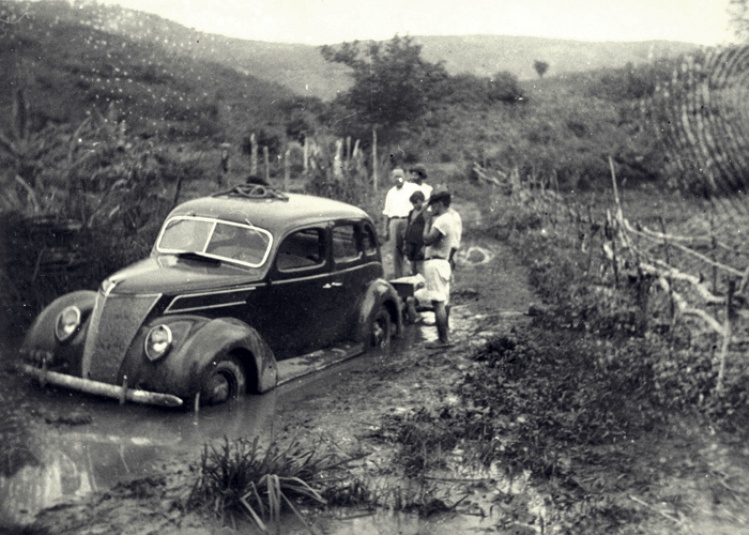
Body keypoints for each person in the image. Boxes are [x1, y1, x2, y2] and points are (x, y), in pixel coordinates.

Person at [422, 187, 461, 349]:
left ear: (439, 204)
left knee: (437, 303)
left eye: (433, 204)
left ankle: (442, 339)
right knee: (442, 301)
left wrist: (426, 222)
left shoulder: (442, 220)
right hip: (442, 262)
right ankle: (444, 336)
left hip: (436, 262)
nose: (431, 208)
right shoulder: (449, 218)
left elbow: (427, 240)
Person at [382, 168, 418, 278]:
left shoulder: (412, 188)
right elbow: (386, 212)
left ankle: (415, 276)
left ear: (404, 176)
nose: (398, 179)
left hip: (408, 220)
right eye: (395, 177)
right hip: (394, 221)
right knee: (396, 251)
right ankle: (399, 278)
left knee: (411, 248)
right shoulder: (391, 193)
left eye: (400, 176)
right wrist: (385, 229)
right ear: (392, 179)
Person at [404, 190, 427, 276]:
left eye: (416, 202)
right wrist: (405, 242)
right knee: (412, 266)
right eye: (413, 203)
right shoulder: (411, 213)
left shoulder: (425, 214)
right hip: (411, 242)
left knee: (420, 266)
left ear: (421, 201)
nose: (415, 205)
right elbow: (408, 227)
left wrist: (424, 245)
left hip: (420, 242)